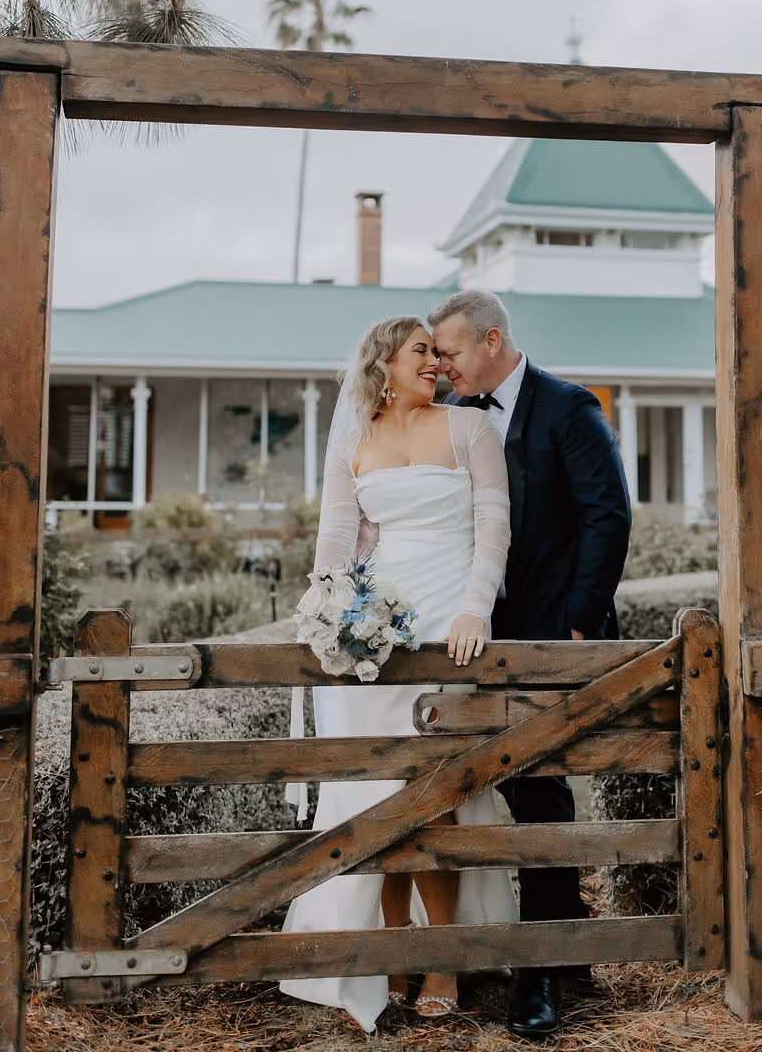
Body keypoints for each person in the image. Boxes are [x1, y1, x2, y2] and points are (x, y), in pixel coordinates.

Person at [280, 315, 517, 1033]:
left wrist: (476, 610)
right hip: (374, 631)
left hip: (450, 624)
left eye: (439, 353)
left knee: (437, 793)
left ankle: (442, 958)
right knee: (378, 796)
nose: (437, 363)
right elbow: (335, 541)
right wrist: (329, 615)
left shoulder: (471, 430)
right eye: (423, 351)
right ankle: (391, 952)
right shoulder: (354, 439)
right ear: (384, 361)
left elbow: (493, 523)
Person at [428, 288, 632, 1042]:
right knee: (504, 787)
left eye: (448, 351)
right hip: (472, 637)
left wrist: (578, 626)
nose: (440, 365)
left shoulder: (568, 408)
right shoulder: (449, 417)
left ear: (490, 340)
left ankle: (542, 972)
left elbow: (606, 517)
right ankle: (568, 943)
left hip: (553, 635)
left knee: (541, 794)